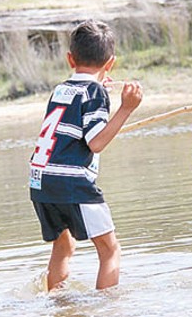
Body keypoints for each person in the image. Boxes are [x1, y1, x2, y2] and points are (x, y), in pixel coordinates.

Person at [29, 19, 143, 291]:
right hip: (71, 182)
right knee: (110, 250)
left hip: (40, 180)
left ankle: (60, 308)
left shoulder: (61, 89)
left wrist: (101, 91)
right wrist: (126, 109)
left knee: (64, 244)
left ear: (70, 59)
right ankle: (107, 314)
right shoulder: (94, 94)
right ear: (110, 63)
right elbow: (96, 143)